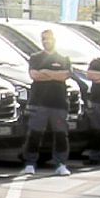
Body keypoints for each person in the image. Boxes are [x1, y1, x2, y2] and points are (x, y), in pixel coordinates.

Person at [24, 29, 75, 176]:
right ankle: (30, 163)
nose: (46, 41)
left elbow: (64, 75)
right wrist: (54, 75)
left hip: (58, 103)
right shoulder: (35, 58)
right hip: (38, 103)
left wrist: (46, 72)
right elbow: (35, 75)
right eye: (44, 39)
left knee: (60, 135)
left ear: (54, 40)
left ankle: (61, 164)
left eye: (49, 38)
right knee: (35, 134)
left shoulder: (64, 58)